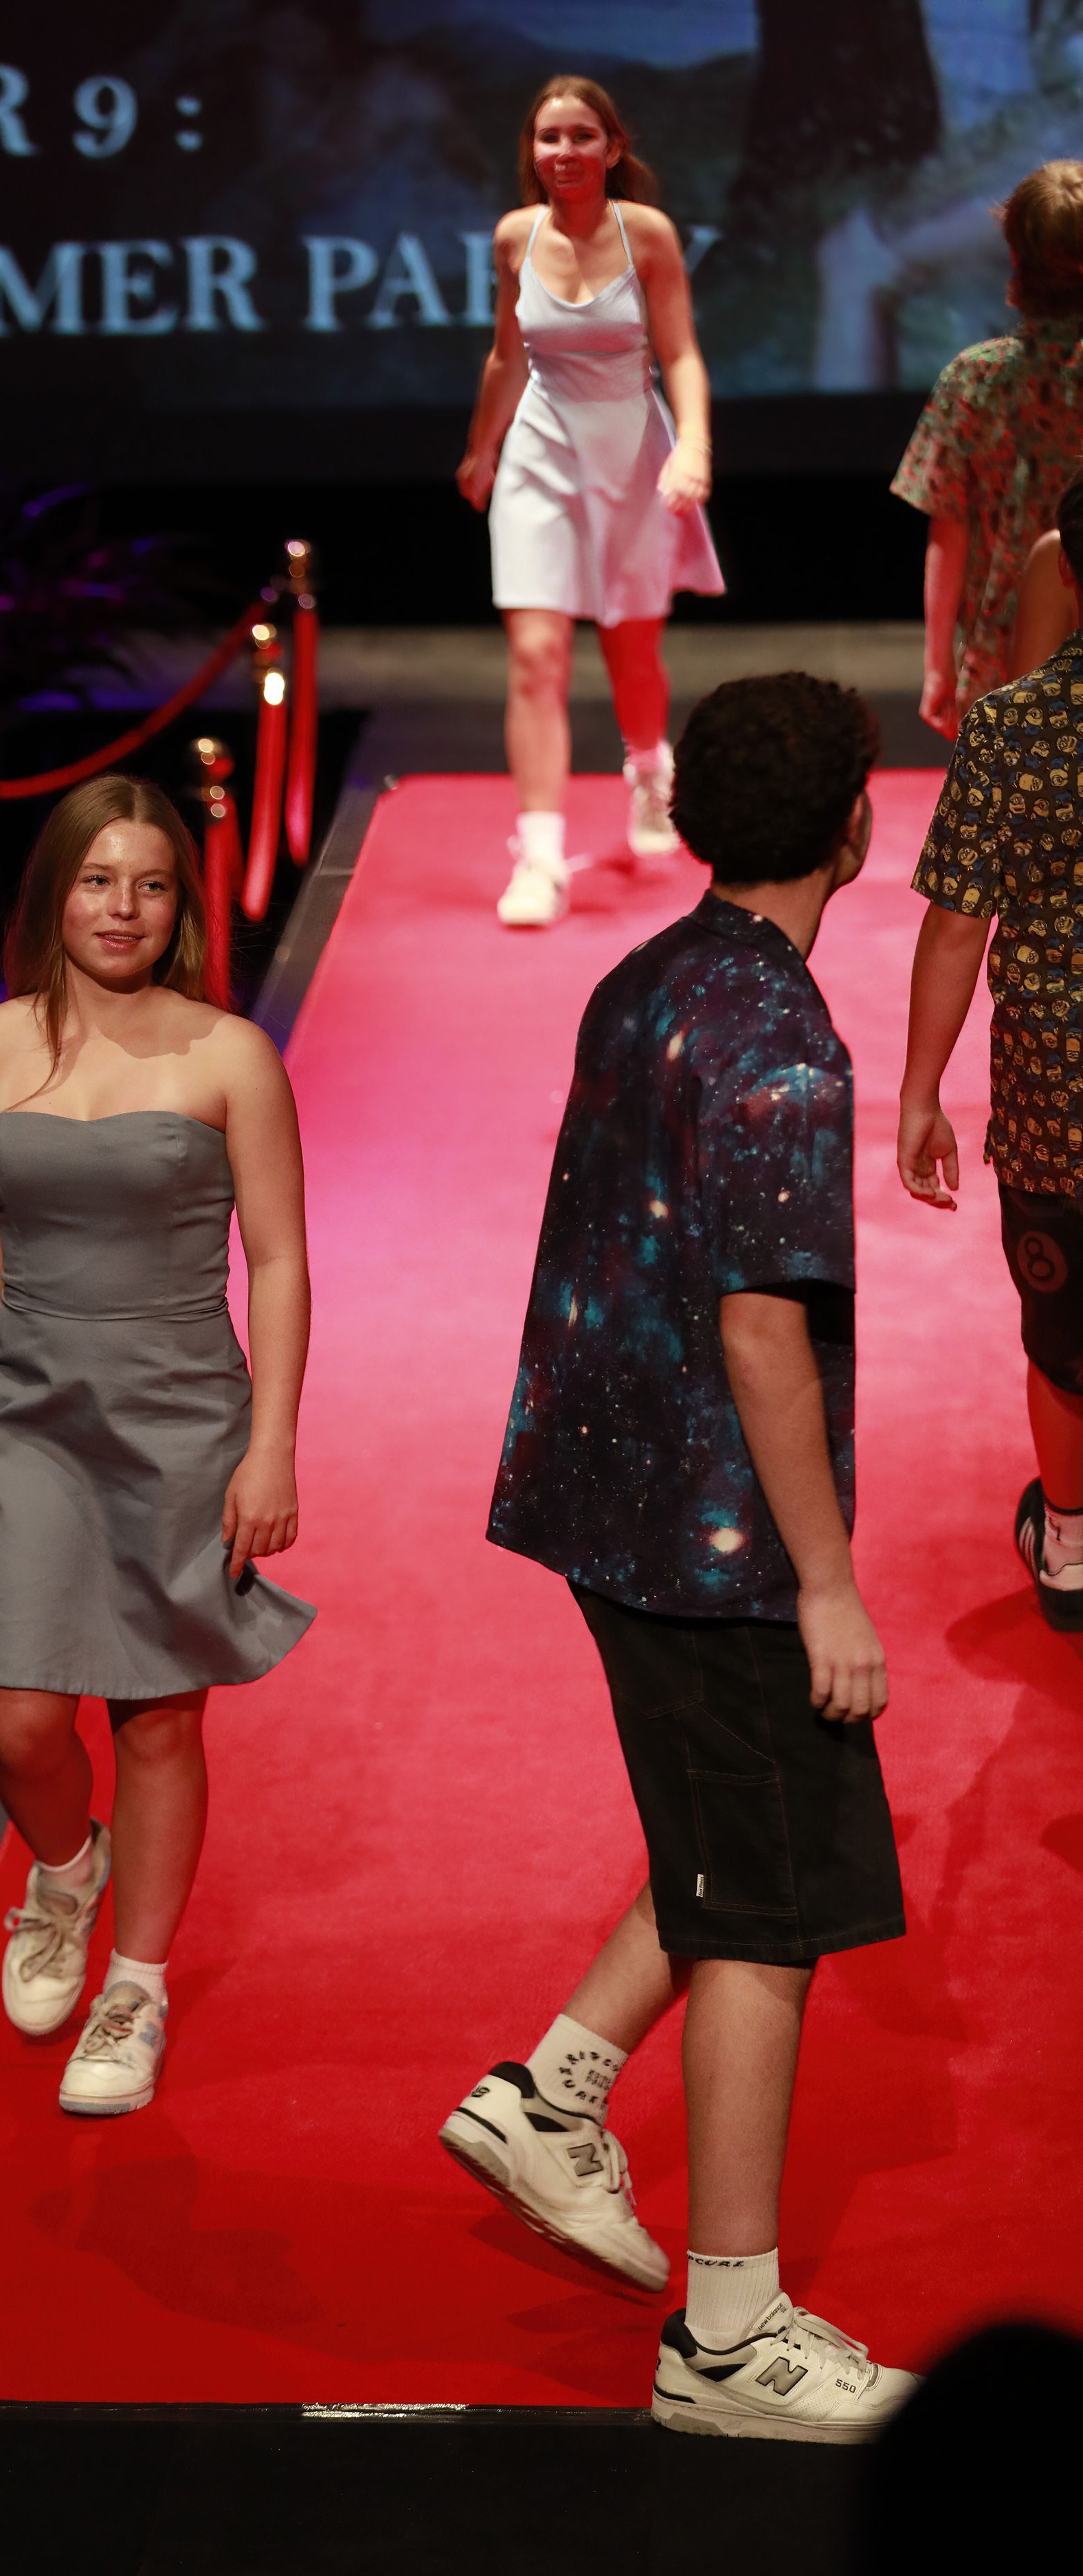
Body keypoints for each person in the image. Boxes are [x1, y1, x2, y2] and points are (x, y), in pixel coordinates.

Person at [443, 675, 916, 2441]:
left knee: (730, 1842)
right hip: (714, 1545)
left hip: (603, 1503)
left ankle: (552, 2093)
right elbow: (761, 1329)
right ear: (851, 824)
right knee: (768, 1915)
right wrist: (827, 1583)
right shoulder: (782, 1042)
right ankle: (728, 2333)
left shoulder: (641, 975)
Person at [0, 773, 314, 2114]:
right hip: (31, 1415)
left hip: (181, 1417)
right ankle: (65, 1869)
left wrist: (271, 1445)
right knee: (19, 1716)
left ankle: (135, 1988)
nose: (122, 908)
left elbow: (278, 1259)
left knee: (159, 1720)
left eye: (150, 885)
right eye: (98, 881)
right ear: (55, 892)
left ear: (179, 905)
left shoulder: (227, 1055)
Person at [456, 75, 723, 930]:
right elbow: (507, 356)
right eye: (549, 138)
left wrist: (693, 445)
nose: (563, 152)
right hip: (539, 456)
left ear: (612, 148)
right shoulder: (514, 237)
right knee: (537, 655)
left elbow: (680, 354)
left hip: (632, 455)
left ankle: (648, 767)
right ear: (531, 152)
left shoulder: (646, 233)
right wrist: (482, 448)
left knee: (630, 651)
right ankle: (540, 858)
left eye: (581, 136)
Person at [898, 468, 1083, 1630]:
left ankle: (1068, 1541)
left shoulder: (1011, 727)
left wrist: (920, 1091)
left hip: (1055, 1106)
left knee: (1065, 1341)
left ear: (1068, 577)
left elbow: (958, 922)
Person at [893, 160, 1083, 743]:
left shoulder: (974, 378)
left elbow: (948, 535)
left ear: (1017, 259)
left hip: (1003, 664)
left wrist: (937, 665)